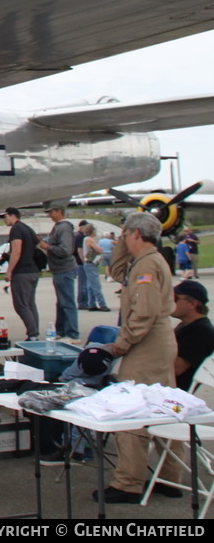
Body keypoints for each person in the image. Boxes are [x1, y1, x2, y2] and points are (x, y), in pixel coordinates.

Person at [94, 212, 178, 504]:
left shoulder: (148, 267)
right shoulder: (144, 262)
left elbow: (144, 312)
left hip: (146, 344)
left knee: (133, 408)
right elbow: (118, 272)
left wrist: (122, 343)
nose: (123, 238)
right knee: (163, 407)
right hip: (158, 342)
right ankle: (170, 476)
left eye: (126, 234)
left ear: (137, 235)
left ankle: (129, 482)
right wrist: (120, 241)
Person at [1, 207, 42, 340]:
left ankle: (33, 334)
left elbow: (17, 251)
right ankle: (34, 333)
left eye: (5, 217)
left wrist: (9, 271)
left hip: (22, 272)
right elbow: (39, 245)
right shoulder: (28, 228)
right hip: (33, 270)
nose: (4, 220)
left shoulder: (16, 229)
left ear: (12, 216)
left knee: (21, 305)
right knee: (30, 304)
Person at [40, 206, 79, 341]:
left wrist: (48, 247)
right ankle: (62, 331)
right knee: (62, 302)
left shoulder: (64, 227)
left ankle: (73, 334)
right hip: (58, 270)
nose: (50, 215)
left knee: (67, 302)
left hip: (64, 269)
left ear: (59, 212)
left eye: (51, 212)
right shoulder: (58, 227)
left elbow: (66, 250)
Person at [172, 280, 214, 391]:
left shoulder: (201, 332)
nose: (170, 302)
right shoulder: (187, 325)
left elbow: (177, 368)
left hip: (174, 392)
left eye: (175, 298)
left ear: (192, 304)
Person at [79, 224, 109, 312]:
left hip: (88, 263)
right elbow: (99, 250)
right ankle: (102, 304)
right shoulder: (89, 239)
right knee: (96, 285)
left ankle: (91, 303)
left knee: (90, 285)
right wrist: (100, 248)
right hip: (91, 263)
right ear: (92, 231)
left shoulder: (86, 239)